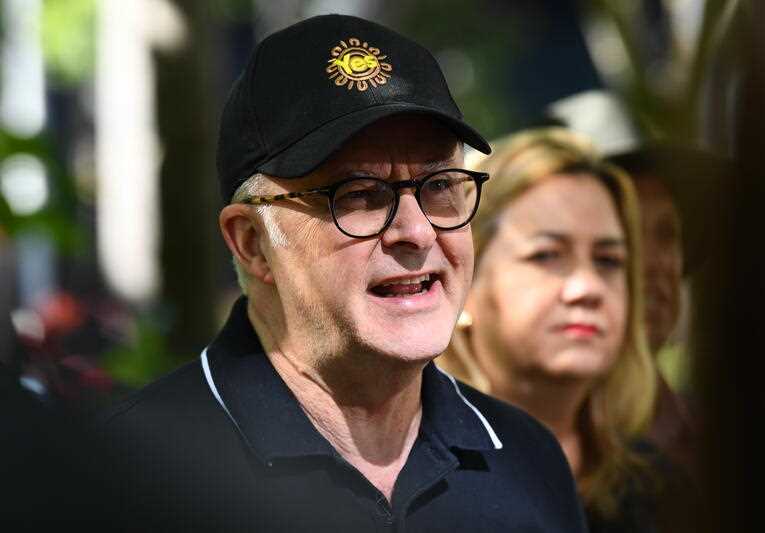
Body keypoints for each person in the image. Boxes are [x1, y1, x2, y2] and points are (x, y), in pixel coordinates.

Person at [100, 15, 587, 532]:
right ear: (252, 243)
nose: (417, 232)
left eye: (440, 184)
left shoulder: (525, 460)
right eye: (358, 195)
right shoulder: (127, 475)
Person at [437, 128, 697, 531]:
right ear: (466, 278)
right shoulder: (405, 480)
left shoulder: (660, 487)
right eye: (547, 255)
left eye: (609, 261)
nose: (586, 289)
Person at [544, 90, 726, 480]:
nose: (654, 262)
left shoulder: (729, 437)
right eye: (623, 231)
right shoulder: (532, 459)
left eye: (667, 233)